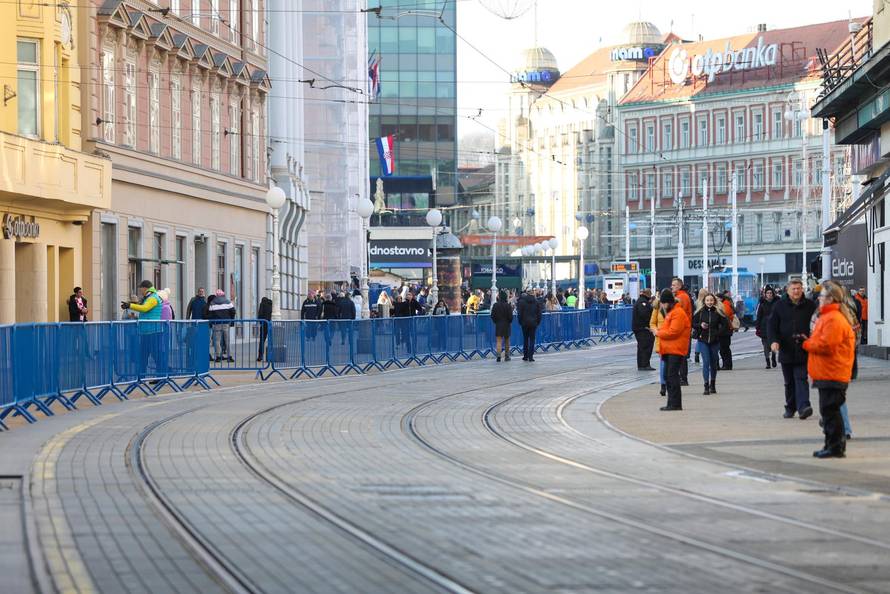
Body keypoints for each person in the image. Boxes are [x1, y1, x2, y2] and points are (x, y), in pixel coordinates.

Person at [803, 280, 857, 459]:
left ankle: (835, 446)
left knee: (830, 411)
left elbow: (826, 345)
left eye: (822, 296)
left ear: (831, 299)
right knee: (829, 411)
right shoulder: (828, 317)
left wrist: (806, 343)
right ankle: (832, 444)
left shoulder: (833, 319)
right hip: (829, 372)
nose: (819, 298)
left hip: (832, 372)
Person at [768, 279, 817, 420]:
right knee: (789, 381)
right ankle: (790, 407)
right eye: (793, 289)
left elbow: (816, 325)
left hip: (803, 349)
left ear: (802, 289)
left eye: (798, 288)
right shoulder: (779, 306)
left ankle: (803, 407)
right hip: (786, 349)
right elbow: (772, 326)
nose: (796, 291)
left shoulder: (809, 305)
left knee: (801, 378)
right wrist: (774, 341)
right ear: (788, 291)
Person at [651, 289, 691, 411]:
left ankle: (675, 403)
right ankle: (671, 403)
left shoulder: (677, 313)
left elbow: (673, 331)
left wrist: (658, 333)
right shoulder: (672, 312)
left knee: (672, 376)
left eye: (663, 303)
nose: (661, 306)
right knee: (669, 376)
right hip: (669, 349)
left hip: (675, 349)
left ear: (667, 302)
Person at [121, 280, 166, 376]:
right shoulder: (148, 297)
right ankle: (141, 376)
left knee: (156, 356)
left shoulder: (153, 298)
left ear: (145, 288)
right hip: (146, 331)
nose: (140, 291)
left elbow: (145, 308)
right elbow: (145, 311)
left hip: (154, 331)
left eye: (140, 288)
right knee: (143, 355)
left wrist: (130, 305)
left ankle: (161, 376)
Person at [692, 293, 727, 395]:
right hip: (703, 340)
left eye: (711, 300)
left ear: (714, 301)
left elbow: (725, 325)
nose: (709, 302)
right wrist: (700, 325)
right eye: (707, 300)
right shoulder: (700, 312)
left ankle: (713, 384)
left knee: (713, 363)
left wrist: (717, 333)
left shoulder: (718, 312)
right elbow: (692, 323)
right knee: (706, 362)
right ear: (704, 302)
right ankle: (706, 385)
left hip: (714, 341)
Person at [671, 278, 693, 386]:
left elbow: (679, 314)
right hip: (683, 329)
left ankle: (683, 378)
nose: (672, 287)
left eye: (674, 285)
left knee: (681, 355)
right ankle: (682, 377)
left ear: (679, 286)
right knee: (681, 355)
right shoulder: (682, 296)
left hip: (682, 330)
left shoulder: (681, 297)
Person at [206, 289, 236, 362]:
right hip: (226, 323)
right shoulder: (227, 301)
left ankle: (218, 356)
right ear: (223, 294)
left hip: (216, 323)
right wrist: (231, 319)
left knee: (217, 341)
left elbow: (210, 314)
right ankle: (229, 356)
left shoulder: (212, 303)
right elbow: (233, 311)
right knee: (227, 340)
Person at [755, 286, 778, 369]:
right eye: (767, 293)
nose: (769, 294)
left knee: (773, 343)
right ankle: (767, 361)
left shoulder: (777, 303)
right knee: (765, 345)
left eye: (770, 293)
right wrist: (757, 327)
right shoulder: (762, 304)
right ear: (765, 294)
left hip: (774, 326)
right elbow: (759, 316)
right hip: (764, 326)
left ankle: (773, 357)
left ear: (773, 294)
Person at [632, 288, 655, 371]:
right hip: (643, 328)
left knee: (642, 346)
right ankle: (644, 364)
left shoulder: (641, 301)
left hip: (640, 328)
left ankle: (643, 364)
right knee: (645, 346)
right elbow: (644, 314)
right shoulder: (643, 302)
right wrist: (649, 323)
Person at [517, 290, 542, 362]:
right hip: (533, 323)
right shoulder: (536, 302)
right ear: (533, 294)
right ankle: (531, 356)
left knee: (525, 339)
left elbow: (520, 313)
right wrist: (538, 322)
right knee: (532, 339)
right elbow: (539, 314)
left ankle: (525, 356)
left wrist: (520, 321)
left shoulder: (522, 302)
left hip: (524, 323)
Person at [649, 293, 667, 397]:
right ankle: (663, 385)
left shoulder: (674, 308)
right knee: (663, 363)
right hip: (661, 339)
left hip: (671, 338)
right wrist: (656, 331)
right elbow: (652, 323)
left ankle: (669, 383)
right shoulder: (656, 308)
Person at [490, 290, 513, 362]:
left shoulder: (495, 305)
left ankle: (498, 356)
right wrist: (509, 321)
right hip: (506, 325)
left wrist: (496, 322)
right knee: (507, 341)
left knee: (498, 341)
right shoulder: (508, 305)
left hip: (499, 325)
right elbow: (510, 317)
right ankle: (507, 356)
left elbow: (492, 315)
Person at [718, 291, 736, 370]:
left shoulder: (725, 305)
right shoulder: (726, 304)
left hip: (725, 330)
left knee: (724, 349)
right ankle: (727, 364)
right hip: (726, 330)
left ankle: (727, 365)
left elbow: (725, 316)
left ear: (721, 298)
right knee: (724, 349)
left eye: (717, 298)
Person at [693, 288, 709, 364]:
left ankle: (696, 353)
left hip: (697, 323)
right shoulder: (706, 302)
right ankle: (705, 354)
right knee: (704, 339)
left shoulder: (696, 302)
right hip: (704, 322)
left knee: (699, 340)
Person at [256, 296, 273, 362]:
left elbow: (260, 314)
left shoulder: (262, 304)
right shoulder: (271, 304)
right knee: (271, 341)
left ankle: (260, 356)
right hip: (270, 324)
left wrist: (260, 322)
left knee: (262, 341)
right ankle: (271, 356)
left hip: (264, 324)